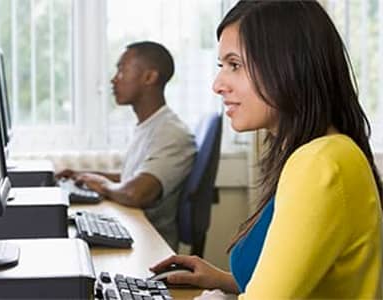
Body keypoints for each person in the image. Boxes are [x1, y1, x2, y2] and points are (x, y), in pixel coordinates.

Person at [150, 1, 383, 298]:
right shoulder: (323, 152)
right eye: (221, 66)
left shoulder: (321, 164)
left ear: (289, 64)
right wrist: (223, 280)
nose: (218, 84)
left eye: (235, 65)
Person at [56, 41, 196, 250]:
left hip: (149, 247)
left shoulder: (171, 133)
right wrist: (82, 175)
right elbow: (132, 177)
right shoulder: (149, 126)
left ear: (150, 77)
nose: (114, 79)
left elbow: (136, 193)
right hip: (133, 232)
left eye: (122, 70)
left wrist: (102, 185)